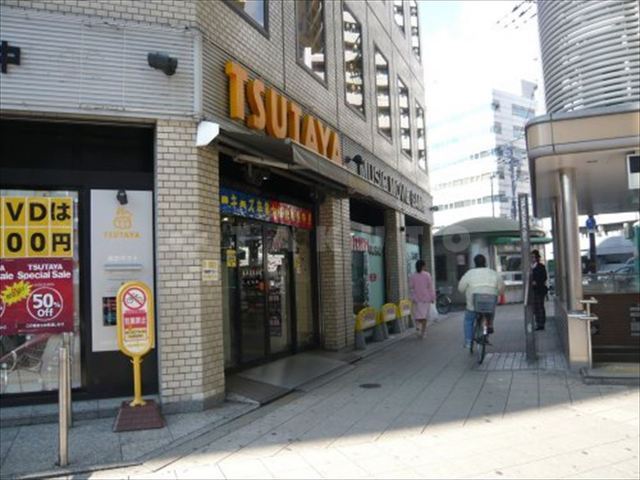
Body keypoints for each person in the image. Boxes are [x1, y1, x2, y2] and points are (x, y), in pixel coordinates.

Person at [458, 254, 505, 348]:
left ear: (474, 263)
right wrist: (498, 293)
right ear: (485, 262)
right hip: (490, 301)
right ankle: (490, 325)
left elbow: (461, 288)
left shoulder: (469, 273)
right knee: (490, 310)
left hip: (473, 303)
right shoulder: (493, 273)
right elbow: (501, 288)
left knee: (469, 320)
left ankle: (468, 341)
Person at [409, 259, 436, 339]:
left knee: (417, 315)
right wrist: (432, 297)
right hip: (426, 299)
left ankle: (418, 327)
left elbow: (411, 287)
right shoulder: (427, 275)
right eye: (424, 265)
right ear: (423, 266)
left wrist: (412, 297)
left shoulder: (412, 276)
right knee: (424, 316)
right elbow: (430, 287)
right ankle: (423, 332)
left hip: (416, 299)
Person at [530, 249, 548, 331]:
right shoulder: (530, 267)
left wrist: (536, 282)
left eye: (534, 257)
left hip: (540, 290)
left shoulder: (541, 266)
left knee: (540, 306)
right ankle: (538, 322)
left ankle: (541, 324)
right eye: (531, 257)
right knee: (535, 307)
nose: (532, 259)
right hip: (532, 290)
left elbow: (544, 277)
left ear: (537, 258)